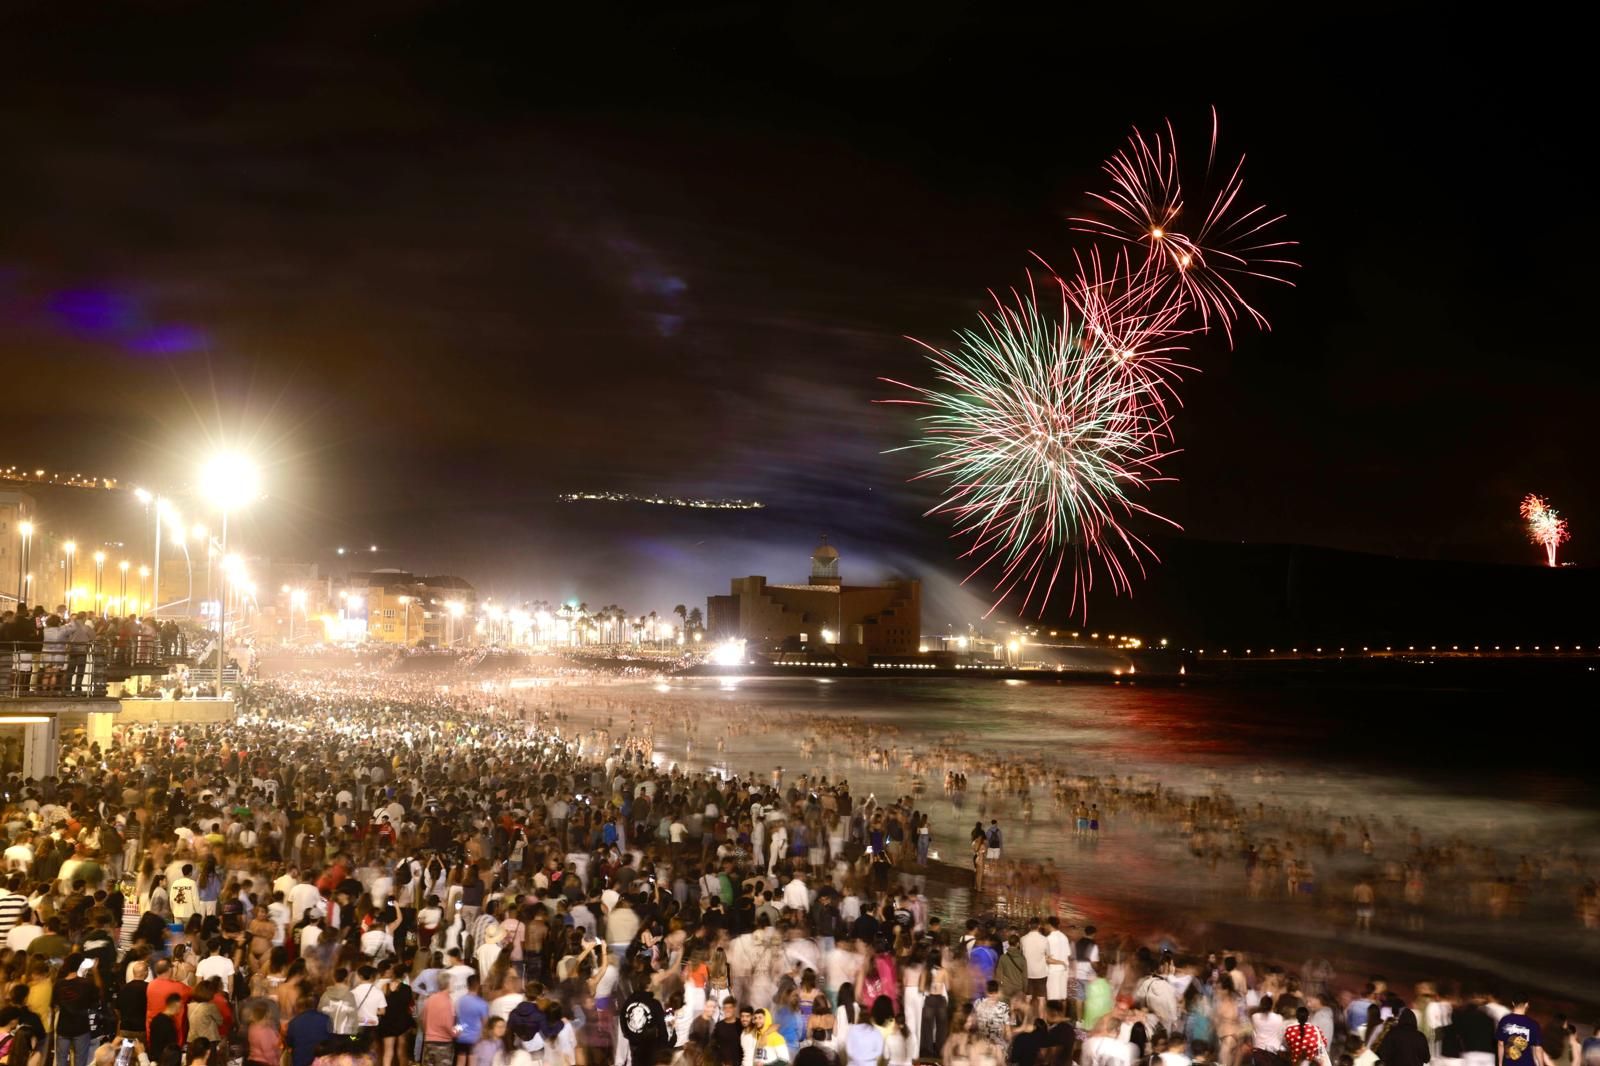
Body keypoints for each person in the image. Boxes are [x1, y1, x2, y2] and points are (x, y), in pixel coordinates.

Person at [1497, 1000, 1548, 1066]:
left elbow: (1500, 1044)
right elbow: (1538, 1048)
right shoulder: (1533, 1024)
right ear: (1526, 1004)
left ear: (1513, 1003)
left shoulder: (1505, 1020)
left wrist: (1500, 1063)